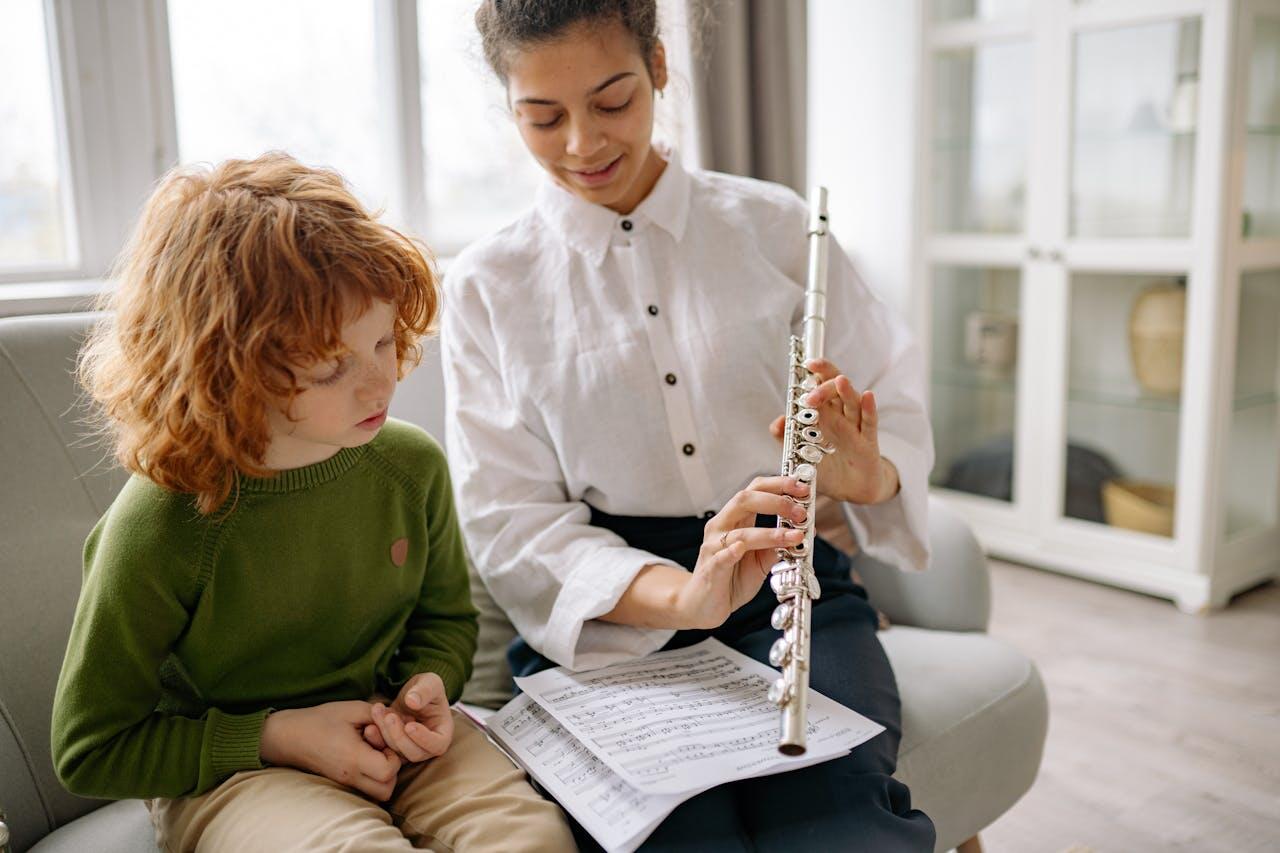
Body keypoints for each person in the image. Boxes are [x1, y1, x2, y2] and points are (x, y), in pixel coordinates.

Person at [441, 1, 937, 850]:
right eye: (543, 116)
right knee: (680, 836)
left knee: (837, 822)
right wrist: (688, 594)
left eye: (612, 101)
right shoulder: (486, 286)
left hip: (788, 580)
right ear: (509, 106)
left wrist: (869, 477)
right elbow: (511, 526)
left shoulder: (776, 226)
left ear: (659, 70)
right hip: (610, 620)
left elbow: (891, 409)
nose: (582, 145)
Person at [51, 152, 577, 853]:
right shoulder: (164, 522)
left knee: (534, 840)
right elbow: (90, 747)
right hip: (237, 772)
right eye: (333, 366)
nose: (381, 382)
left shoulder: (409, 466)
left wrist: (425, 684)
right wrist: (275, 735)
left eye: (386, 340)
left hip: (394, 737)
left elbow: (446, 620)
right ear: (230, 368)